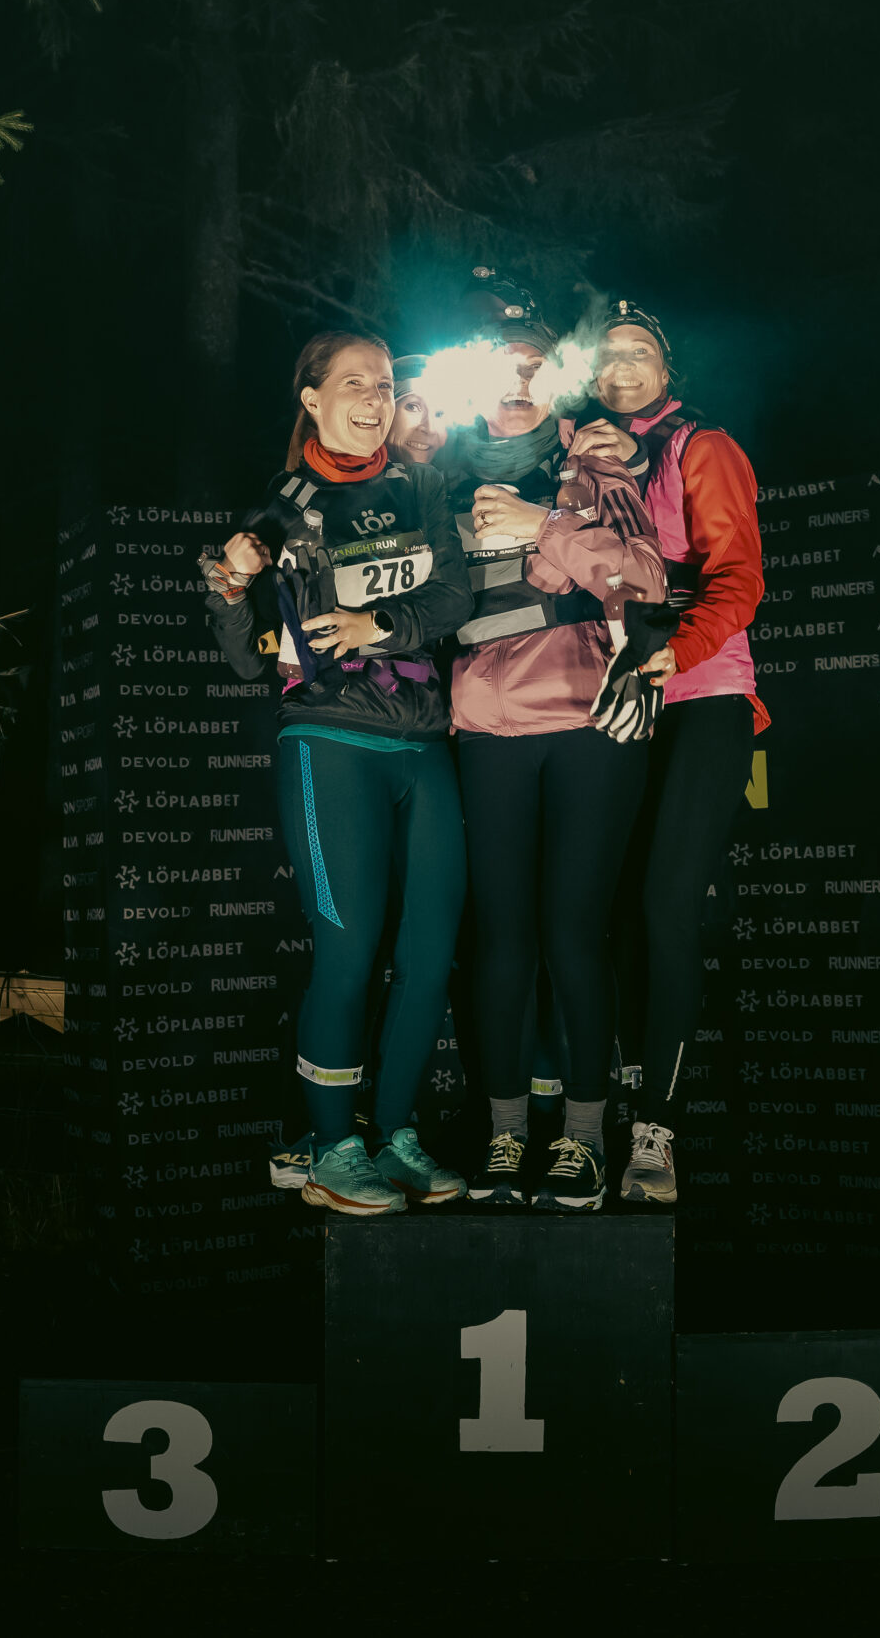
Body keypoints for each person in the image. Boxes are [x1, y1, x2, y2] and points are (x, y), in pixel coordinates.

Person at [203, 332, 474, 1215]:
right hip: (329, 739)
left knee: (429, 955)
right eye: (354, 383)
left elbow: (453, 597)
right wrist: (229, 588)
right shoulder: (280, 509)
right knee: (349, 950)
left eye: (385, 384)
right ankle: (330, 1147)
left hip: (424, 744)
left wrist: (375, 626)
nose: (374, 398)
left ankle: (394, 1133)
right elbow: (245, 660)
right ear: (312, 400)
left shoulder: (422, 486)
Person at [434, 278, 665, 1210]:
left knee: (573, 933)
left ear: (559, 376)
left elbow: (645, 579)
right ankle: (501, 1136)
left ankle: (582, 1140)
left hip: (585, 719)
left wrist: (548, 526)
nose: (519, 381)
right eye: (502, 366)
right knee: (502, 940)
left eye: (536, 365)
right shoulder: (440, 470)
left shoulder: (596, 461)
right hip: (486, 725)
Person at [589, 298, 769, 1205]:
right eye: (607, 353)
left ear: (668, 369)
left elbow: (740, 575)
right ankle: (612, 1109)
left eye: (640, 351)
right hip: (613, 701)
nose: (622, 365)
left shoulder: (703, 446)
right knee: (612, 910)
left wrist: (681, 649)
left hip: (702, 695)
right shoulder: (580, 457)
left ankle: (657, 1133)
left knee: (666, 908)